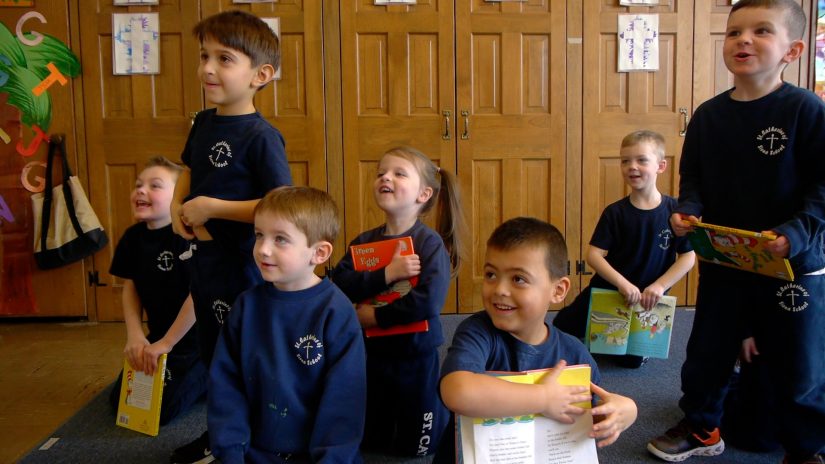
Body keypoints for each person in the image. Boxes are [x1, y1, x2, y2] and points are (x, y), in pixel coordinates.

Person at [647, 1, 825, 462]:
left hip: (792, 266)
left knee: (800, 364)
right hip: (726, 261)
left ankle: (805, 448)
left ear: (793, 50)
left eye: (762, 31)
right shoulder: (708, 116)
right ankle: (703, 426)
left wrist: (796, 232)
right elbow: (695, 181)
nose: (743, 40)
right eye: (734, 32)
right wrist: (687, 212)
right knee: (708, 350)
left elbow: (822, 188)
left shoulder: (807, 110)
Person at [169, 10, 292, 464]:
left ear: (260, 75)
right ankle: (220, 435)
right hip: (204, 263)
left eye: (224, 58)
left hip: (243, 268)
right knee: (213, 353)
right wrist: (177, 205)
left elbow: (279, 205)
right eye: (204, 56)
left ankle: (262, 438)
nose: (207, 68)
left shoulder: (262, 136)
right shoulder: (202, 122)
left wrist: (213, 208)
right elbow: (187, 169)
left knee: (247, 356)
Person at [437, 217, 638, 460]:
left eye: (518, 279)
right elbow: (458, 392)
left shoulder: (574, 353)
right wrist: (544, 398)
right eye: (491, 274)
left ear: (558, 291)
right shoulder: (478, 332)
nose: (499, 289)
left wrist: (626, 411)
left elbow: (586, 414)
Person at [208, 186, 366, 463]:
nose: (263, 249)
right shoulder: (245, 307)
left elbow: (345, 400)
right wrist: (231, 450)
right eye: (259, 235)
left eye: (280, 239)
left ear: (318, 253)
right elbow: (225, 385)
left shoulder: (336, 311)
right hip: (252, 453)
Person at [331, 146, 465, 457]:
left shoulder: (428, 244)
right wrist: (385, 273)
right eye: (380, 173)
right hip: (372, 354)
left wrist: (374, 318)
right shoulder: (363, 243)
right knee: (372, 435)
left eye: (398, 173)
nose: (385, 178)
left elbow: (428, 302)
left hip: (415, 356)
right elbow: (340, 284)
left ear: (423, 194)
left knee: (416, 446)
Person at [553, 130, 695, 368]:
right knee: (560, 328)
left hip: (648, 298)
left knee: (630, 362)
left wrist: (660, 286)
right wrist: (622, 283)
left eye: (641, 160)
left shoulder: (675, 212)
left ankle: (619, 342)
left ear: (661, 166)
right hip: (608, 291)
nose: (632, 166)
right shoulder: (615, 213)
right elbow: (593, 255)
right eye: (625, 161)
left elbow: (688, 256)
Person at [108, 156, 207, 426]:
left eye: (155, 185)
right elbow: (131, 287)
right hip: (161, 337)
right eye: (139, 184)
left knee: (163, 409)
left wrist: (168, 343)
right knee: (121, 402)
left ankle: (214, 375)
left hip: (198, 342)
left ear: (180, 199)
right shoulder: (132, 238)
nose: (141, 190)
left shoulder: (191, 237)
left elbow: (197, 295)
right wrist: (136, 335)